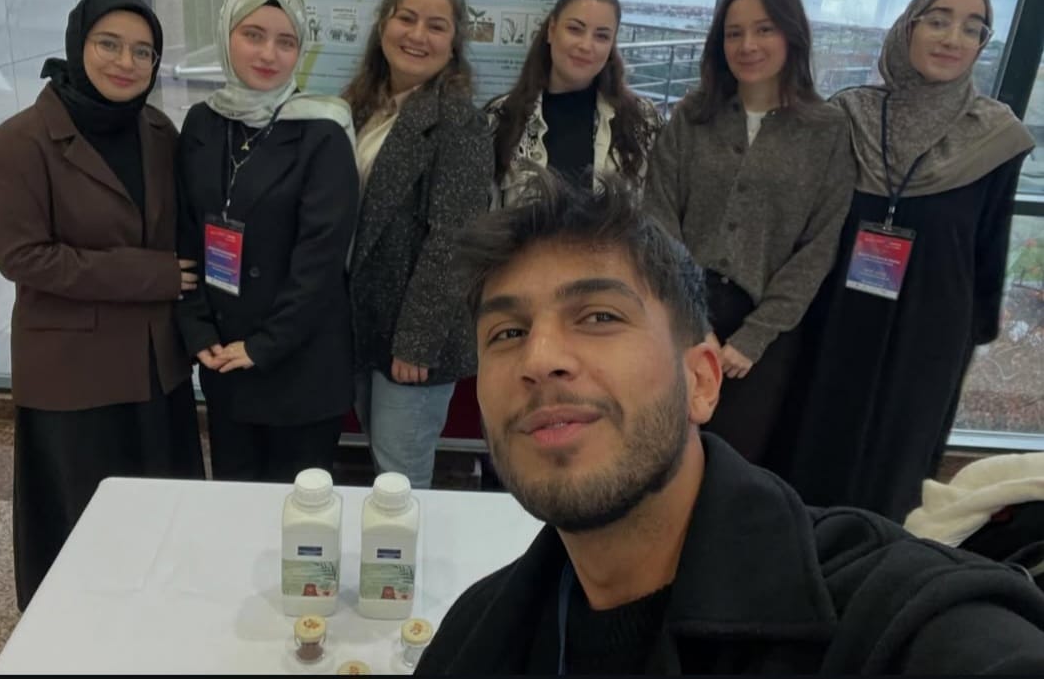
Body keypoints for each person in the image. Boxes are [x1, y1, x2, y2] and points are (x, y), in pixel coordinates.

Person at [417, 169, 1044, 675]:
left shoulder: (888, 615)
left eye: (600, 317)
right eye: (508, 333)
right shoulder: (478, 633)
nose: (539, 360)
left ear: (701, 382)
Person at [0, 0, 204, 610]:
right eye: (109, 44)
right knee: (84, 520)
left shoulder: (157, 131)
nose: (126, 62)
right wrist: (150, 275)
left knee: (161, 511)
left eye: (143, 51)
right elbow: (23, 257)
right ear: (78, 45)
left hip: (154, 367)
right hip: (74, 375)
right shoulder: (17, 144)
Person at [785, 0, 1034, 522]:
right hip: (836, 317)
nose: (953, 38)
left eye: (972, 28)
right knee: (813, 444)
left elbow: (989, 244)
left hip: (931, 329)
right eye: (938, 20)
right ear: (907, 28)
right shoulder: (848, 117)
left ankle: (876, 560)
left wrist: (976, 331)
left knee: (896, 466)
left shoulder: (994, 136)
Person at [644, 0, 854, 464]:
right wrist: (691, 319)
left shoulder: (826, 130)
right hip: (679, 310)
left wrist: (755, 336)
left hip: (763, 332)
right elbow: (658, 215)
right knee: (659, 449)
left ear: (791, 35)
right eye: (734, 33)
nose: (748, 45)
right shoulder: (692, 116)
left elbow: (818, 247)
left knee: (731, 462)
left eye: (764, 30)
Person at [176, 0, 358, 482]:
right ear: (226, 35)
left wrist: (264, 345)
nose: (268, 54)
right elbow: (185, 231)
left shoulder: (322, 130)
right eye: (252, 35)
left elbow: (320, 261)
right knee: (235, 498)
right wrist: (197, 327)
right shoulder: (202, 123)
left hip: (300, 366)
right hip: (224, 359)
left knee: (297, 508)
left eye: (286, 42)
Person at [343, 0, 492, 488]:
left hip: (412, 342)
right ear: (384, 23)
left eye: (436, 25)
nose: (417, 35)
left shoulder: (460, 122)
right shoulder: (363, 106)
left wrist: (416, 342)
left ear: (454, 43)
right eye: (407, 18)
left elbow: (454, 241)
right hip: (365, 323)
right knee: (383, 465)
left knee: (401, 481)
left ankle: (406, 548)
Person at [487, 0, 662, 206]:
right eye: (575, 29)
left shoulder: (643, 122)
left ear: (611, 45)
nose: (586, 45)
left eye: (601, 36)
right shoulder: (501, 118)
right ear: (551, 30)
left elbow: (655, 213)